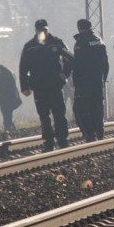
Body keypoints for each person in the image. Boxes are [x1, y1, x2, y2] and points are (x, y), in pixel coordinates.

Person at [19, 19, 74, 151]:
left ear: (48, 29)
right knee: (44, 116)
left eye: (45, 29)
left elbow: (70, 59)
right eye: (40, 30)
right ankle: (48, 142)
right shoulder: (30, 46)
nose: (43, 32)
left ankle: (62, 140)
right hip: (38, 86)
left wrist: (64, 75)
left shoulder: (56, 43)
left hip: (55, 85)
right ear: (36, 30)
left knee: (59, 113)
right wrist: (24, 87)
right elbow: (23, 67)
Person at [72, 18, 109, 142]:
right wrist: (104, 77)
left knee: (80, 109)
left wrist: (76, 82)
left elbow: (77, 64)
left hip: (84, 82)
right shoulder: (99, 41)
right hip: (98, 80)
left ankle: (89, 135)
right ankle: (100, 133)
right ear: (91, 27)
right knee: (97, 107)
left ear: (79, 28)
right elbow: (105, 61)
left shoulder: (80, 42)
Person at [0, 64, 22, 134]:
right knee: (5, 111)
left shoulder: (8, 74)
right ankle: (9, 128)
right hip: (3, 98)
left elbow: (11, 88)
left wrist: (0, 94)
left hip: (10, 97)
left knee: (7, 111)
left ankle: (8, 128)